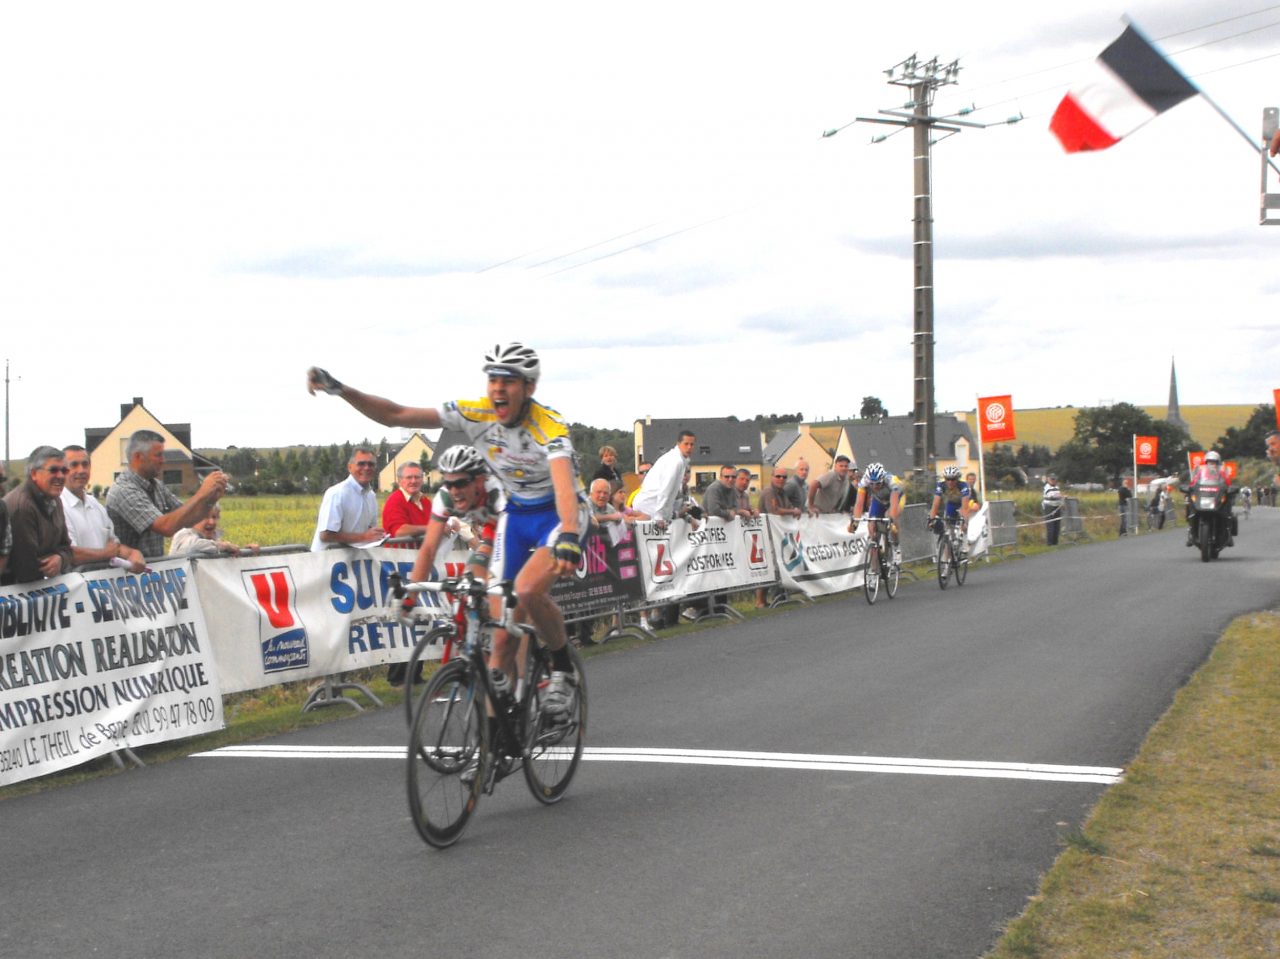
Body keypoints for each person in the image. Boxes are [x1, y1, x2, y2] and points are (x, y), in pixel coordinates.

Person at [307, 342, 586, 717]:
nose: (499, 388)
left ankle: (563, 669)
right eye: (493, 379)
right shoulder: (474, 413)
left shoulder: (549, 426)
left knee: (524, 592)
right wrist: (342, 390)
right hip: (517, 517)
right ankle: (491, 746)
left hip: (557, 514)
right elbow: (396, 414)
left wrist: (569, 533)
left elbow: (564, 486)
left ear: (530, 388)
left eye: (510, 381)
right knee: (500, 628)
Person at [401, 444, 506, 687]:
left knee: (506, 609)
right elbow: (428, 549)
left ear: (478, 481)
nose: (454, 490)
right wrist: (411, 595)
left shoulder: (496, 493)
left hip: (508, 531)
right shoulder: (444, 497)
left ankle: (516, 677)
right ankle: (474, 659)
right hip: (490, 533)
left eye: (461, 483)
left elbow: (506, 545)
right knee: (468, 588)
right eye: (449, 483)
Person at [106, 429, 228, 558]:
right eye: (158, 455)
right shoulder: (124, 490)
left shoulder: (156, 486)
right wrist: (202, 493)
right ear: (138, 457)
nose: (163, 460)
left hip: (151, 571)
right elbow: (166, 527)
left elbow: (189, 518)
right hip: (126, 574)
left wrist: (211, 498)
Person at [59, 445, 148, 572]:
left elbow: (115, 546)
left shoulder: (96, 505)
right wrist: (106, 553)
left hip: (102, 587)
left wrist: (132, 553)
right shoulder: (58, 507)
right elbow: (70, 554)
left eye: (85, 464)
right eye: (74, 465)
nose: (81, 470)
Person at [2, 447, 76, 584]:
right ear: (34, 474)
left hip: (40, 589)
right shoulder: (22, 507)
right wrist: (56, 559)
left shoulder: (55, 499)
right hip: (18, 593)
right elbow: (26, 568)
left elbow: (67, 547)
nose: (60, 476)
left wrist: (60, 558)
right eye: (53, 470)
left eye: (64, 471)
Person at [311, 448, 384, 551]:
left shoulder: (371, 496)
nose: (367, 468)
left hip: (352, 561)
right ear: (350, 467)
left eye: (371, 464)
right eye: (361, 464)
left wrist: (377, 535)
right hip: (326, 561)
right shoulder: (336, 494)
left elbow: (369, 530)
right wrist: (364, 537)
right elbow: (326, 535)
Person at [632, 431, 697, 525]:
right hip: (649, 506)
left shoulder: (680, 460)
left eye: (692, 444)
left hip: (654, 506)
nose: (689, 447)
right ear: (678, 444)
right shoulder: (676, 461)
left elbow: (672, 494)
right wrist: (659, 516)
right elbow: (666, 489)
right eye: (686, 444)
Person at [852, 461, 904, 563]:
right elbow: (859, 504)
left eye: (878, 483)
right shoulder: (864, 482)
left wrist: (892, 521)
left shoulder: (891, 481)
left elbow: (893, 506)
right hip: (879, 499)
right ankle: (875, 565)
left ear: (882, 479)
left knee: (890, 516)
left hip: (896, 497)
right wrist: (855, 523)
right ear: (868, 480)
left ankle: (896, 547)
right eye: (872, 484)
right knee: (871, 525)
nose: (875, 486)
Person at [170, 504, 257, 556]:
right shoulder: (183, 534)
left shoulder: (214, 539)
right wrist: (225, 546)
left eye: (214, 517)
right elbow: (191, 547)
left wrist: (248, 552)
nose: (211, 522)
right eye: (205, 517)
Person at [1186, 450, 1232, 547]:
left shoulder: (1222, 473)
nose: (1212, 464)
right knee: (1191, 506)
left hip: (1216, 497)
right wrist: (1190, 488)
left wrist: (1229, 489)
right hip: (1203, 497)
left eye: (1214, 462)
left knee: (1227, 507)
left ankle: (1228, 533)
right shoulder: (1200, 472)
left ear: (1218, 463)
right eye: (1210, 462)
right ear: (1206, 462)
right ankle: (1191, 532)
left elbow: (1227, 483)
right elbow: (1194, 482)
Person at [382, 462, 431, 545]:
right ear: (400, 481)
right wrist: (433, 529)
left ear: (422, 479)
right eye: (409, 477)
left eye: (417, 477)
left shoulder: (425, 501)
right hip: (401, 556)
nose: (413, 481)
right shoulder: (395, 501)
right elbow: (399, 531)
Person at [928, 466, 972, 542]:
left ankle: (964, 542)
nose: (950, 482)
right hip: (951, 503)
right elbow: (935, 504)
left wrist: (965, 522)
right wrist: (931, 520)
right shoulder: (941, 485)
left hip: (963, 503)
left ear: (957, 479)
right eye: (947, 479)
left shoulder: (963, 486)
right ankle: (948, 548)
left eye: (953, 479)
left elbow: (965, 507)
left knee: (963, 523)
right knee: (948, 524)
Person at [1042, 473, 1064, 546]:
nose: (1053, 481)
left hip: (1057, 507)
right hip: (1049, 507)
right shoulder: (1047, 487)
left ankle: (1055, 543)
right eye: (1052, 479)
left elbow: (1058, 496)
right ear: (1048, 480)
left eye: (1054, 479)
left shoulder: (1057, 487)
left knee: (1057, 526)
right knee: (1050, 526)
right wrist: (1062, 496)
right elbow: (1053, 496)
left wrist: (1061, 502)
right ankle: (1050, 543)